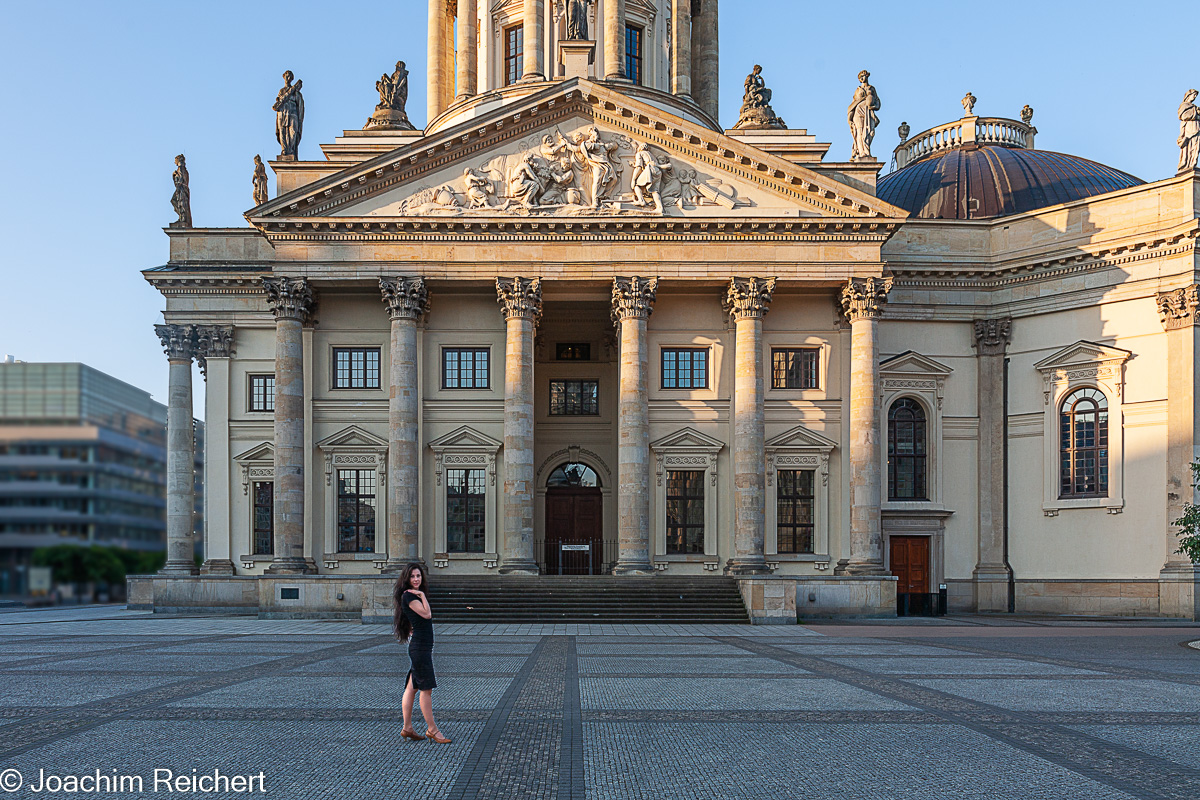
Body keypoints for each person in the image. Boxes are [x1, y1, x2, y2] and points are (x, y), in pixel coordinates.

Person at [393, 563, 450, 744]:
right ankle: (432, 730)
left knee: (411, 688)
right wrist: (423, 596)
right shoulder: (410, 596)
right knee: (426, 690)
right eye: (413, 577)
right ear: (407, 579)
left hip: (420, 647)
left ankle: (407, 728)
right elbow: (426, 614)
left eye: (418, 576)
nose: (416, 579)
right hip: (420, 649)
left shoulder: (410, 596)